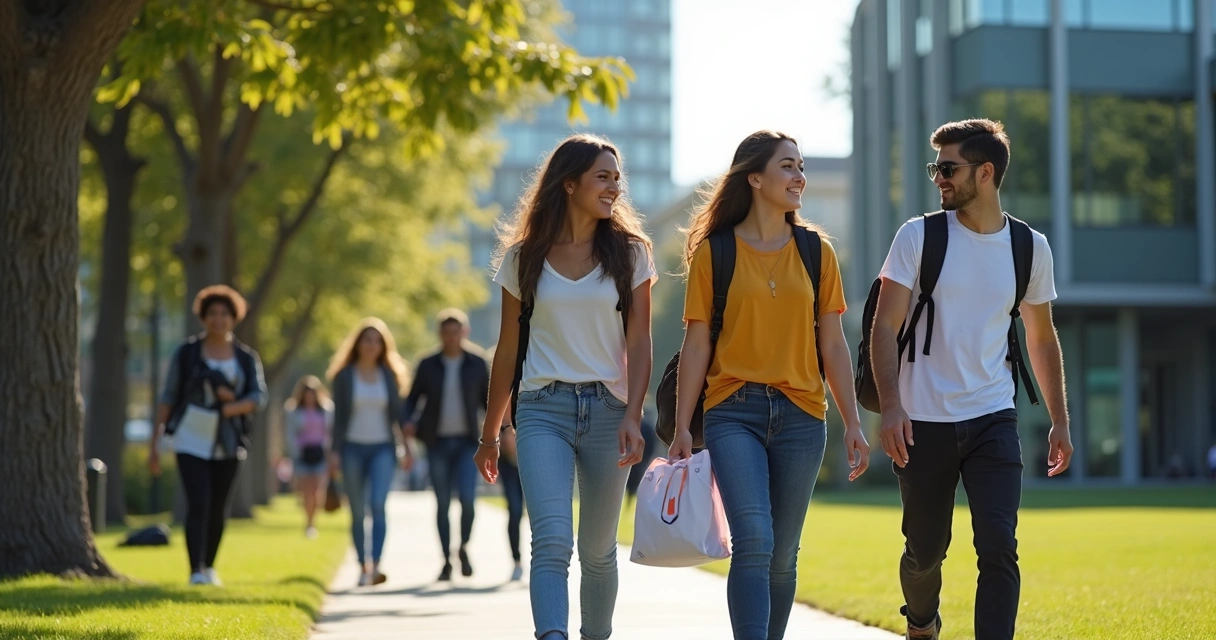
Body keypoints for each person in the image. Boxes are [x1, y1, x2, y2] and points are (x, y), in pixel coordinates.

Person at [870, 119, 1073, 640]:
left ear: (985, 173)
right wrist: (891, 407)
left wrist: (1060, 421)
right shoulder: (918, 236)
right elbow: (884, 325)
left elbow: (1042, 338)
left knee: (999, 545)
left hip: (993, 417)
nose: (938, 177)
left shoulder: (1030, 247)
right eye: (935, 167)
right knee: (924, 553)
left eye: (948, 168)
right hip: (923, 422)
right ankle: (921, 620)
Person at [668, 131, 870, 640]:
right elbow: (695, 345)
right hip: (733, 410)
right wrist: (680, 428)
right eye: (787, 166)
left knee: (782, 554)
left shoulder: (815, 251)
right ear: (754, 178)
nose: (799, 176)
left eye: (801, 166)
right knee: (754, 538)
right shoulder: (716, 253)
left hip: (803, 414)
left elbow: (834, 345)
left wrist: (853, 422)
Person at [473, 134, 655, 640]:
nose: (614, 187)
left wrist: (633, 414)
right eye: (603, 176)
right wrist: (491, 433)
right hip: (541, 409)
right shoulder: (523, 258)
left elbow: (639, 342)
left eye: (617, 178)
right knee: (551, 540)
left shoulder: (632, 255)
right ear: (569, 184)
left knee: (598, 550)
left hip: (609, 410)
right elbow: (507, 349)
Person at [149, 285, 267, 586]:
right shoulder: (187, 353)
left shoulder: (245, 357)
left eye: (224, 314)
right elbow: (168, 396)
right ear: (203, 317)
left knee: (218, 507)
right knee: (198, 502)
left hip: (229, 440)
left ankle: (210, 566)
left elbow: (258, 396)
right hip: (190, 436)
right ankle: (195, 570)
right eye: (212, 313)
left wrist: (234, 406)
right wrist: (155, 443)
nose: (218, 319)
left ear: (234, 318)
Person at [402, 308, 491, 581]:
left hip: (467, 443)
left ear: (464, 333)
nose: (451, 338)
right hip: (436, 442)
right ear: (440, 334)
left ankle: (463, 547)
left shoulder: (477, 363)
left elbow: (489, 402)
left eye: (456, 332)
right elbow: (411, 399)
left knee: (467, 499)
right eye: (446, 333)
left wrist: (499, 432)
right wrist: (408, 422)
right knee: (441, 502)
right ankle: (445, 560)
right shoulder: (428, 364)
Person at [327, 317, 413, 587]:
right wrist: (334, 452)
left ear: (383, 346)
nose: (371, 345)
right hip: (351, 447)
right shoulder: (344, 376)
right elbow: (339, 418)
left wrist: (408, 448)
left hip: (383, 449)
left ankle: (376, 564)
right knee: (356, 510)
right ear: (358, 343)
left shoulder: (389, 376)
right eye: (367, 340)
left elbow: (398, 417)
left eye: (377, 341)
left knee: (377, 504)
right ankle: (362, 565)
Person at [284, 375, 334, 539]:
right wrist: (295, 451)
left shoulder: (326, 410)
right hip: (303, 454)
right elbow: (290, 433)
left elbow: (330, 432)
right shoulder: (293, 411)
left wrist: (330, 452)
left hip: (320, 453)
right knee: (306, 491)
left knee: (317, 490)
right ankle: (308, 522)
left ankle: (313, 522)